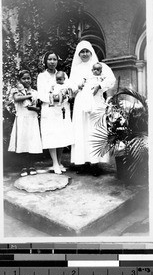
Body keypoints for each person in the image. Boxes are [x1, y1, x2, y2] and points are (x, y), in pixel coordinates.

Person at [69, 40, 116, 175]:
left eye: (86, 51)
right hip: (81, 103)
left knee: (94, 130)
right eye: (82, 52)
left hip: (96, 102)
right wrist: (77, 86)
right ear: (78, 54)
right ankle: (83, 163)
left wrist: (99, 86)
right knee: (82, 130)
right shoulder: (76, 69)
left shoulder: (100, 66)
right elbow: (71, 84)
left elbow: (110, 80)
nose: (84, 54)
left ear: (91, 52)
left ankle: (95, 163)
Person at [37, 51, 74, 174]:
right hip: (50, 108)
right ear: (46, 61)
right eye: (50, 59)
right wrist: (54, 98)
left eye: (54, 59)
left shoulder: (62, 74)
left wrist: (66, 97)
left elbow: (68, 90)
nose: (52, 62)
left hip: (62, 109)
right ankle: (54, 163)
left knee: (61, 134)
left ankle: (59, 161)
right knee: (52, 135)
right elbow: (41, 94)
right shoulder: (42, 76)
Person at [8, 70, 43, 177]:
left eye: (28, 78)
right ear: (20, 80)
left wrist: (35, 107)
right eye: (24, 78)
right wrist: (28, 96)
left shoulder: (34, 92)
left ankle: (31, 165)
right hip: (22, 119)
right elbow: (17, 99)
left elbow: (38, 107)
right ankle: (24, 167)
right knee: (23, 142)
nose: (26, 80)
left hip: (32, 119)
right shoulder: (16, 90)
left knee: (31, 142)